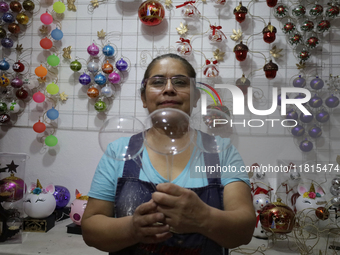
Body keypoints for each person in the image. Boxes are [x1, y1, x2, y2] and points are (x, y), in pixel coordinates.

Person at [82, 53, 256, 255]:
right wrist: (132, 229)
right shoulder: (118, 150)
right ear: (143, 98)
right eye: (157, 82)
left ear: (196, 98)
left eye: (180, 82)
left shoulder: (222, 152)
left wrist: (204, 218)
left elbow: (244, 230)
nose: (169, 89)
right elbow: (90, 229)